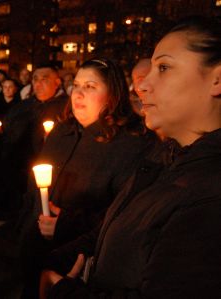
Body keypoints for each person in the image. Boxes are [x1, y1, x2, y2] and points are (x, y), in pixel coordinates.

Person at [40, 15, 221, 298]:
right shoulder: (162, 159)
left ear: (217, 79)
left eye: (163, 67)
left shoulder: (210, 194)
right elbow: (111, 232)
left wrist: (64, 293)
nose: (141, 86)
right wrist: (52, 262)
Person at [18, 58, 153, 299]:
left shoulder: (130, 145)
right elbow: (33, 188)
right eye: (77, 85)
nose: (78, 93)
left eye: (90, 86)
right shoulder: (61, 132)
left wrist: (68, 223)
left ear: (112, 95)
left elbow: (123, 217)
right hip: (34, 252)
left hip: (76, 265)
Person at [0, 64, 68, 212]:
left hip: (50, 169)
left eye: (44, 79)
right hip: (21, 168)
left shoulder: (67, 107)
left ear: (57, 83)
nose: (38, 83)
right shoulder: (23, 106)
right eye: (35, 79)